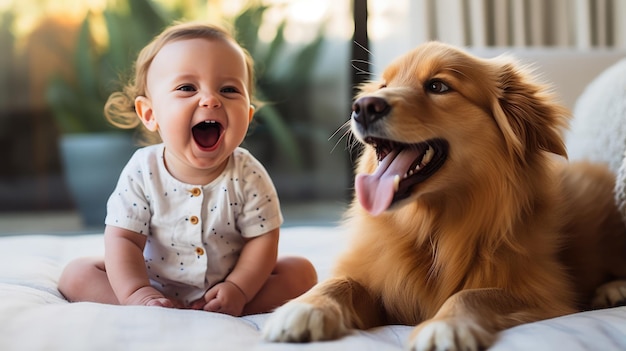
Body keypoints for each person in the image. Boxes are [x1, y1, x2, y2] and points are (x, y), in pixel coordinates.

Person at [58, 21, 317, 316]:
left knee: (302, 273)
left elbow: (263, 239)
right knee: (76, 274)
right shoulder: (144, 170)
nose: (210, 99)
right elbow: (124, 238)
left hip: (227, 282)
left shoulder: (248, 174)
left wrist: (239, 288)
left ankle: (226, 306)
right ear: (150, 114)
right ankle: (149, 305)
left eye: (229, 89)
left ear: (247, 114)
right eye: (186, 88)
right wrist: (137, 292)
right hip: (152, 280)